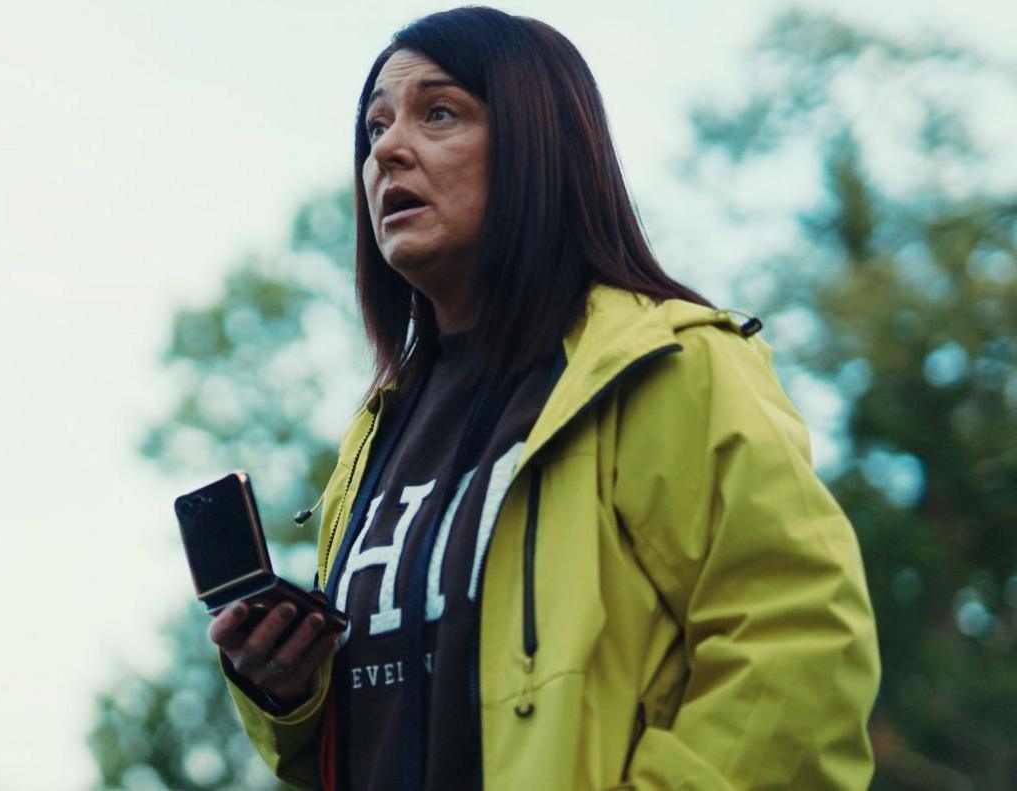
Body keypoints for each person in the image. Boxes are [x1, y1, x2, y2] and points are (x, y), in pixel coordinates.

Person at [206, 6, 880, 790]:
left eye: (440, 113)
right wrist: (283, 689)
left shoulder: (668, 364)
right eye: (374, 128)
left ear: (537, 143)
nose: (388, 148)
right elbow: (371, 730)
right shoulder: (375, 435)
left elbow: (800, 652)